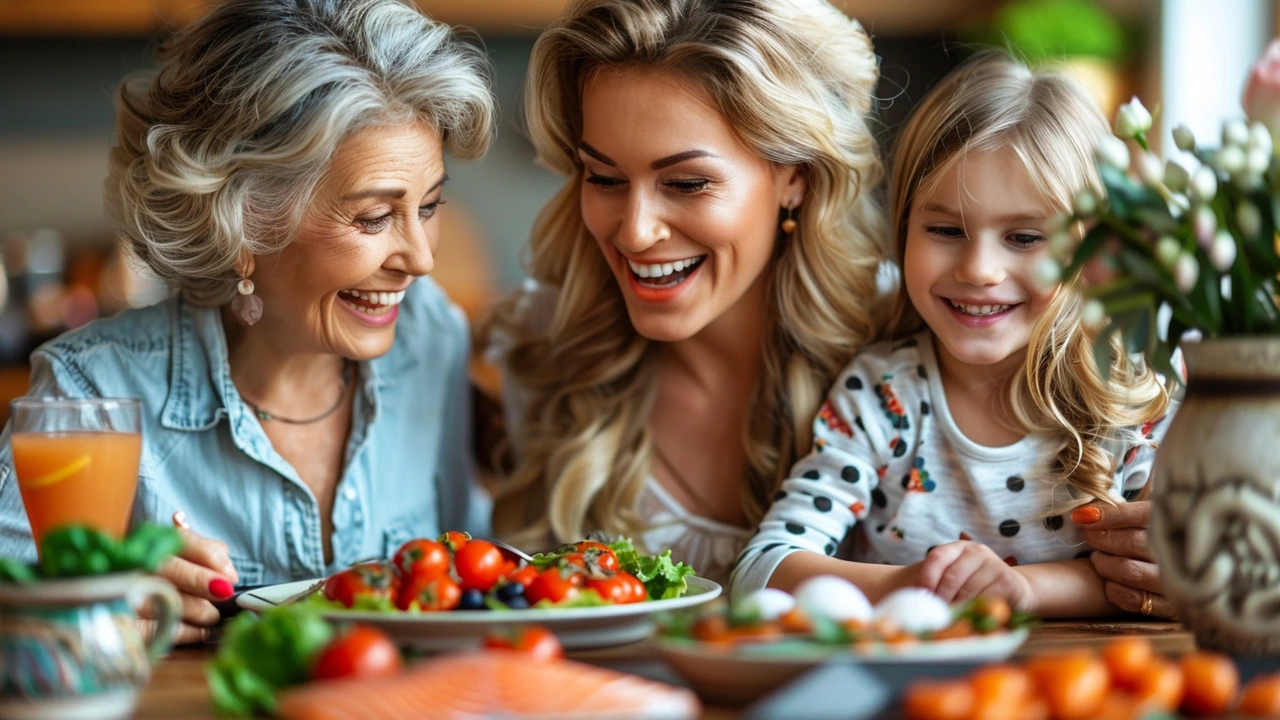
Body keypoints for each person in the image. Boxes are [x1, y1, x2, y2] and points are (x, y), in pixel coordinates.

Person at [0, 0, 495, 642]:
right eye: (374, 218)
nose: (422, 260)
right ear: (243, 224)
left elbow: (471, 579)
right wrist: (98, 608)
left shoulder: (432, 339)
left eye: (429, 206)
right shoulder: (90, 393)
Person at [731, 52, 1176, 618]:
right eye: (945, 229)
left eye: (1023, 237)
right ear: (903, 231)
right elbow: (761, 568)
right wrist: (912, 585)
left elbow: (1158, 574)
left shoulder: (1137, 397)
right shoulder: (884, 396)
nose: (979, 268)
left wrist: (1024, 590)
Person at [484, 0, 886, 584]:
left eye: (687, 183)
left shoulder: (910, 335)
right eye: (605, 178)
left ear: (796, 176)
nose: (635, 231)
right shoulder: (549, 344)